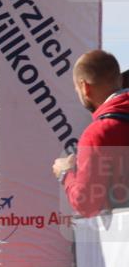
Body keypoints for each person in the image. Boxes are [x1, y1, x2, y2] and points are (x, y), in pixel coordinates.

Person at [52, 50, 129, 217]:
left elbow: (86, 204)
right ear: (120, 80)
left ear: (85, 87)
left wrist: (65, 173)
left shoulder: (98, 134)